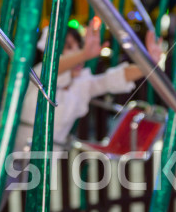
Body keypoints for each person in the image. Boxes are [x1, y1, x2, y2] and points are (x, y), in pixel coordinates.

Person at [14, 23, 163, 151]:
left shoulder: (82, 83)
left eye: (79, 46)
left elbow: (112, 79)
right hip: (13, 156)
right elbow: (52, 69)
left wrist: (148, 65)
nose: (76, 52)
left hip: (50, 161)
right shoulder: (37, 74)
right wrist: (84, 54)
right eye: (68, 47)